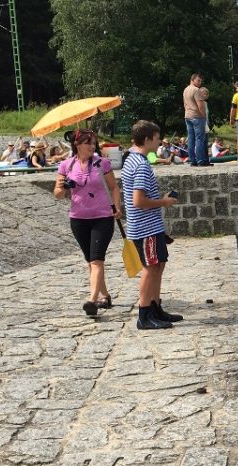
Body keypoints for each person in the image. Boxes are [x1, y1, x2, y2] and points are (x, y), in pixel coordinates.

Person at [52, 128, 122, 317]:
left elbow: (114, 187)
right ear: (77, 145)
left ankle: (92, 301)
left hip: (102, 217)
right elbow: (57, 195)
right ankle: (105, 296)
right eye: (88, 143)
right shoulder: (66, 166)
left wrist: (117, 206)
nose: (92, 146)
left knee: (97, 260)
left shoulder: (102, 163)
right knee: (90, 262)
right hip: (78, 219)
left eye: (93, 143)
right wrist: (63, 187)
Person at [122, 120, 183, 330]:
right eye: (157, 138)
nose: (159, 142)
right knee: (150, 268)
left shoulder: (131, 158)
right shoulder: (140, 164)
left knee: (158, 264)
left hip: (148, 226)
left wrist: (158, 199)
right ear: (147, 139)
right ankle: (144, 315)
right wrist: (164, 202)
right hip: (144, 227)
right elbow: (138, 201)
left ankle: (156, 308)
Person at [182, 73, 211, 167]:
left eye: (200, 81)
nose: (200, 82)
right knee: (200, 139)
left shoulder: (185, 90)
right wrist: (203, 116)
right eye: (198, 80)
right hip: (197, 117)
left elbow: (184, 104)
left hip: (187, 116)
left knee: (191, 139)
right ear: (192, 79)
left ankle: (192, 161)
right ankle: (200, 161)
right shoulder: (196, 90)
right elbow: (200, 105)